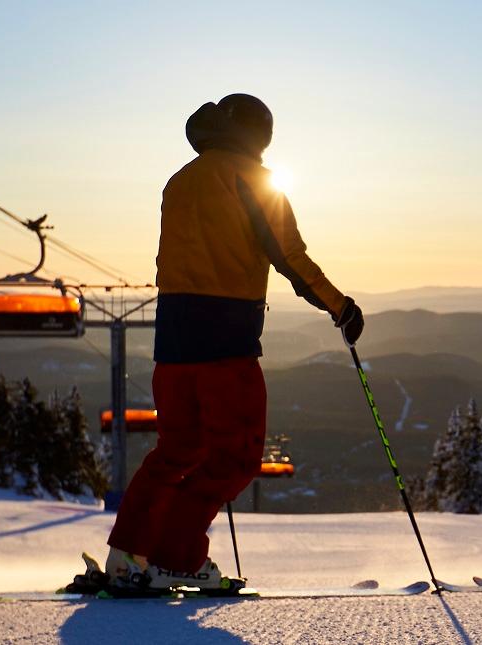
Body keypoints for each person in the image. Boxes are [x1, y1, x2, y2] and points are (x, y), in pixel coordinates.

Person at [101, 94, 364, 592]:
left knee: (176, 451)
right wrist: (340, 306)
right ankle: (175, 558)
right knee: (238, 456)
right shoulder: (253, 179)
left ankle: (126, 555)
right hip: (225, 339)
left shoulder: (181, 179)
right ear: (260, 134)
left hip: (172, 339)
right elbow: (288, 254)